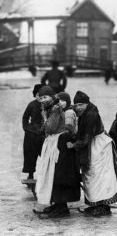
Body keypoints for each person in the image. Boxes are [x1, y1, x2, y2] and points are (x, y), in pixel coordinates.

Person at [69, 91, 117, 216]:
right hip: (93, 145)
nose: (78, 107)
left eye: (81, 104)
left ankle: (103, 205)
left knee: (100, 176)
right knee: (92, 175)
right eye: (76, 105)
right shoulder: (84, 113)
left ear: (87, 103)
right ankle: (94, 203)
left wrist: (74, 145)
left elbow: (86, 138)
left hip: (99, 146)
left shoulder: (91, 115)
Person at [34, 86, 80, 219]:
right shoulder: (49, 109)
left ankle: (62, 206)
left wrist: (44, 118)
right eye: (41, 98)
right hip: (53, 142)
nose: (43, 100)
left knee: (58, 174)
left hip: (58, 143)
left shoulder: (54, 109)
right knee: (52, 174)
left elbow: (50, 127)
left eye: (45, 97)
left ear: (52, 97)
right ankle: (57, 203)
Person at [22, 84, 44, 181]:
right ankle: (30, 174)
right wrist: (26, 128)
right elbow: (25, 117)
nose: (40, 97)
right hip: (32, 133)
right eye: (38, 95)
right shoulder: (31, 105)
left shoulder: (48, 105)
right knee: (31, 155)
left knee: (45, 154)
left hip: (44, 134)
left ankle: (46, 176)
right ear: (35, 95)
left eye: (42, 95)